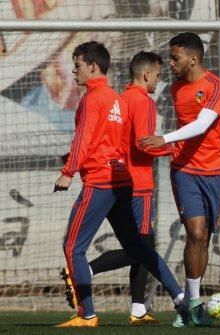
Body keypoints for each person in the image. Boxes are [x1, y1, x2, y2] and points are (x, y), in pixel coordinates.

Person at [54, 41, 187, 328]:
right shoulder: (115, 98)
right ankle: (179, 298)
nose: (73, 71)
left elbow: (86, 139)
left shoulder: (95, 98)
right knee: (139, 248)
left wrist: (69, 169)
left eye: (76, 65)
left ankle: (86, 315)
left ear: (92, 67)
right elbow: (111, 141)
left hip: (102, 182)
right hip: (122, 181)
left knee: (73, 248)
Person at [138, 32, 220, 328]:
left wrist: (163, 137)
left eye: (175, 58)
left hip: (215, 171)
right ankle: (190, 305)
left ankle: (193, 299)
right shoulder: (175, 88)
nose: (171, 63)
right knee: (196, 232)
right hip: (184, 170)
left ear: (194, 58)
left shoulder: (217, 87)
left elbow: (202, 126)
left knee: (204, 238)